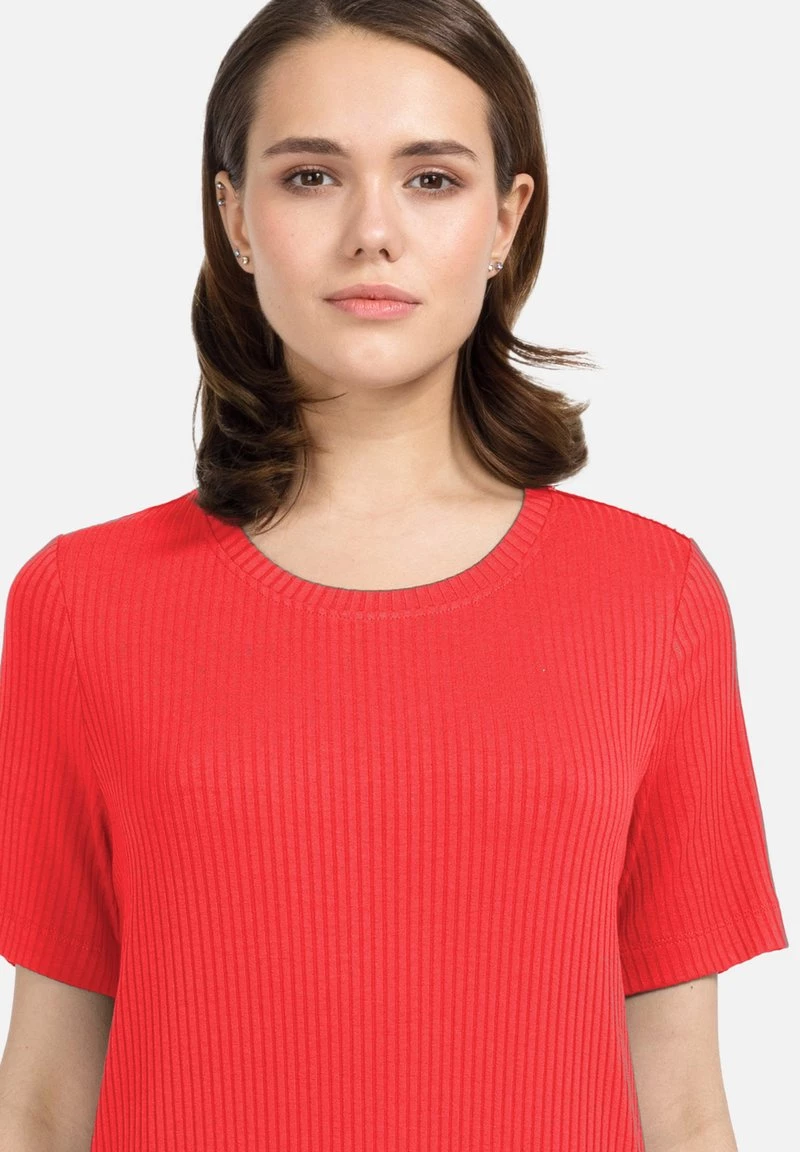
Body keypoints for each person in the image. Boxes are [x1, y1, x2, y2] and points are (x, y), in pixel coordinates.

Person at [0, 1, 789, 1149]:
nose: (372, 231)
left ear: (506, 217)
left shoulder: (651, 599)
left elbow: (677, 1100)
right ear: (235, 216)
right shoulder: (82, 603)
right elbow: (44, 1094)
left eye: (430, 180)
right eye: (311, 177)